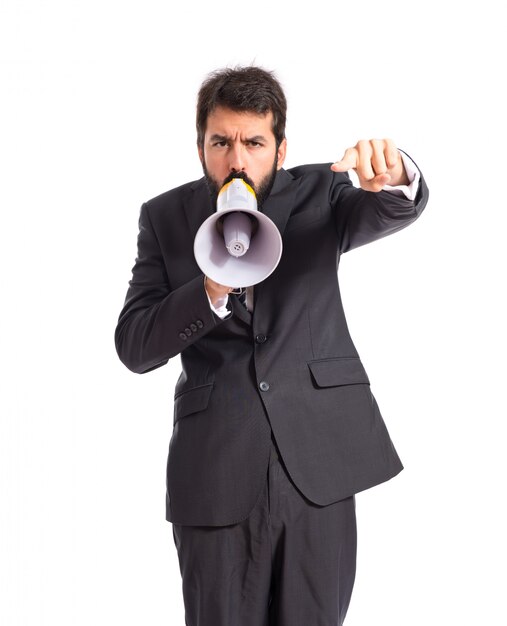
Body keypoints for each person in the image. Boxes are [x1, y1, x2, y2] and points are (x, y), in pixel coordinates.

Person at [114, 65, 429, 626]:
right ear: (201, 148)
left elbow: (389, 209)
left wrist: (397, 171)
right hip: (215, 475)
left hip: (318, 465)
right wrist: (208, 291)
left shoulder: (319, 192)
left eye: (254, 142)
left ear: (281, 150)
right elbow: (135, 345)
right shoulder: (164, 218)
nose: (238, 160)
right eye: (222, 142)